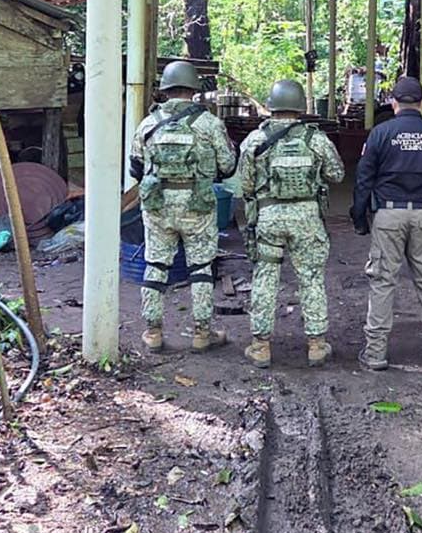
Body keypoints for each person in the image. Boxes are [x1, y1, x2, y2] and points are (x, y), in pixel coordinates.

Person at [129, 61, 236, 353]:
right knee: (201, 267)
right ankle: (202, 333)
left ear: (165, 89)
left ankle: (152, 332)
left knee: (155, 265)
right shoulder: (209, 123)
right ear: (193, 89)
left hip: (158, 206)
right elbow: (227, 167)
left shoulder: (148, 123)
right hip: (197, 206)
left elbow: (135, 166)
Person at [350, 76, 422, 370]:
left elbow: (363, 180)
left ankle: (375, 354)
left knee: (383, 283)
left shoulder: (380, 134)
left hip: (389, 216)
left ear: (394, 102)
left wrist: (360, 218)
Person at [238, 78, 346, 368]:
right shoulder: (316, 139)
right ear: (301, 107)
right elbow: (337, 174)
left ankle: (260, 346)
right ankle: (316, 345)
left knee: (265, 277)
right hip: (307, 219)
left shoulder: (255, 141)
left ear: (271, 106)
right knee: (311, 278)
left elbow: (245, 185)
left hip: (269, 217)